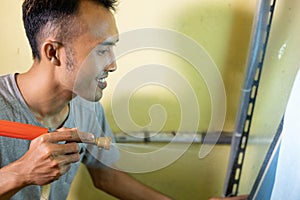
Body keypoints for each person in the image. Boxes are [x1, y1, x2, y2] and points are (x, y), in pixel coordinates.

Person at [0, 0, 171, 199]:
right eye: (101, 51)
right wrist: (21, 173)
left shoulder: (87, 108)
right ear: (53, 52)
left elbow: (108, 177)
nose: (112, 65)